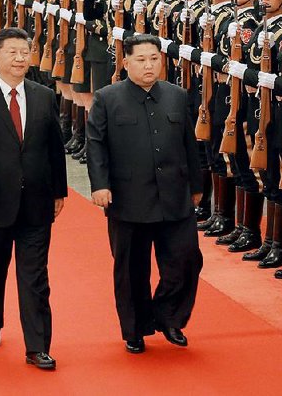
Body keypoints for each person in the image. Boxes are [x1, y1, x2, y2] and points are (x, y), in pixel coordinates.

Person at [0, 27, 68, 370]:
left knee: (35, 276)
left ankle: (37, 346)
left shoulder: (44, 95)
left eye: (25, 52)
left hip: (37, 202)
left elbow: (54, 148)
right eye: (13, 52)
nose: (20, 59)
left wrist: (59, 191)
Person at [86, 34, 204, 354]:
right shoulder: (107, 98)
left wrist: (196, 186)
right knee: (131, 269)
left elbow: (189, 146)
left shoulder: (177, 96)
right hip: (128, 198)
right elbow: (96, 145)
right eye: (141, 59)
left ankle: (168, 317)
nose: (149, 65)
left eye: (154, 58)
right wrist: (100, 184)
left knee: (186, 260)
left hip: (174, 196)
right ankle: (135, 328)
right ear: (126, 63)